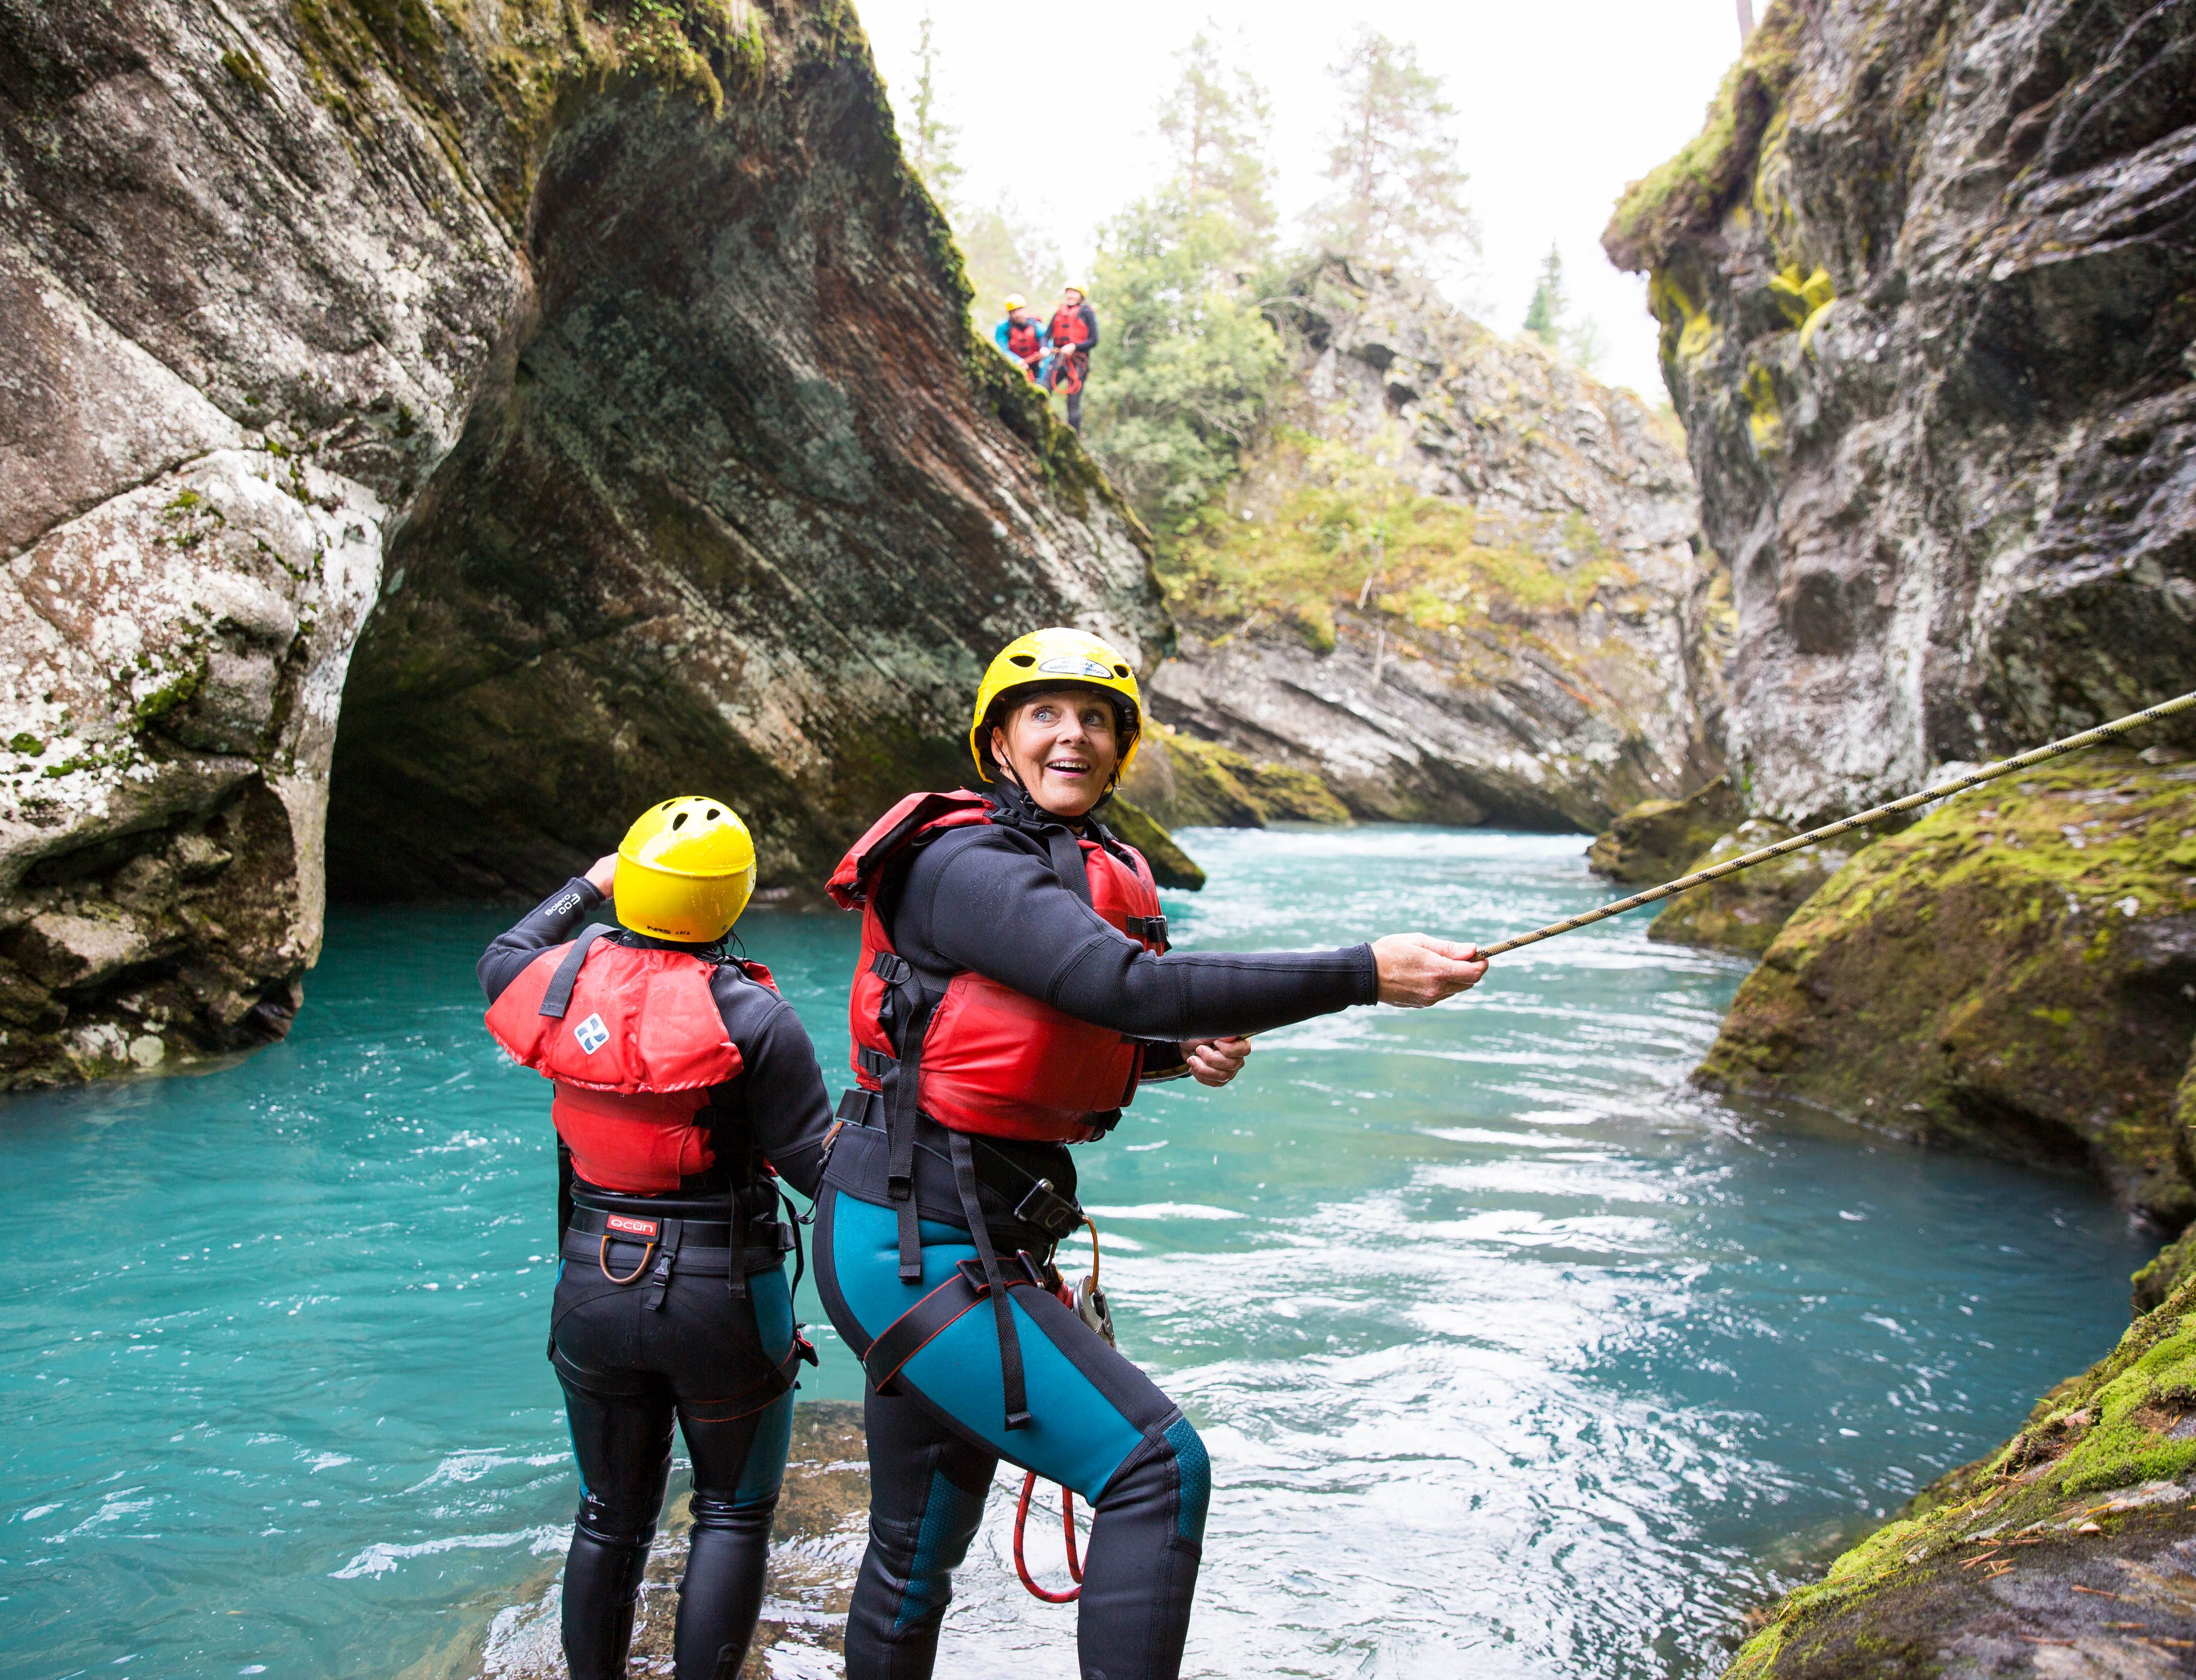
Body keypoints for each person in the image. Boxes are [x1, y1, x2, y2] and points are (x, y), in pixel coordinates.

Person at [809, 627, 1488, 1680]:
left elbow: (1064, 1025)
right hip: (910, 1237)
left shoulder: (1084, 868)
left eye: (1097, 720)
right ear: (997, 741)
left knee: (912, 1553)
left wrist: (1169, 1057)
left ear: (1122, 750)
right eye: (1044, 714)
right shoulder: (960, 860)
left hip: (953, 1227)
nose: (1071, 735)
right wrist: (1362, 971)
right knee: (1155, 1467)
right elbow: (1115, 987)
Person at [478, 798, 834, 1680]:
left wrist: (585, 886)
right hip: (722, 1292)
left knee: (609, 1511)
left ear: (631, 880)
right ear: (732, 898)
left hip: (592, 1282)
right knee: (732, 1511)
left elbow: (501, 956)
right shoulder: (754, 1015)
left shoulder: (555, 980)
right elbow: (817, 1171)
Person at [1043, 282, 1098, 432]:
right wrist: (1044, 348)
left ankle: (1074, 438)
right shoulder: (1059, 312)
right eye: (1069, 292)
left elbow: (1094, 340)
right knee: (1043, 389)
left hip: (1079, 363)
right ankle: (1039, 425)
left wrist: (1074, 346)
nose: (1071, 295)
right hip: (1060, 359)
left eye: (1075, 293)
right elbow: (1047, 335)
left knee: (1073, 405)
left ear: (1081, 296)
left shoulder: (1087, 313)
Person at [992, 293, 1047, 384]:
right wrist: (1017, 361)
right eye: (1014, 312)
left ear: (1024, 309)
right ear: (1010, 314)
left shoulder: (1037, 327)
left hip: (1036, 366)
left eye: (1020, 310)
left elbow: (1047, 341)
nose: (1018, 314)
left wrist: (1044, 350)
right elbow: (1002, 349)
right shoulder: (1003, 328)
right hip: (1014, 366)